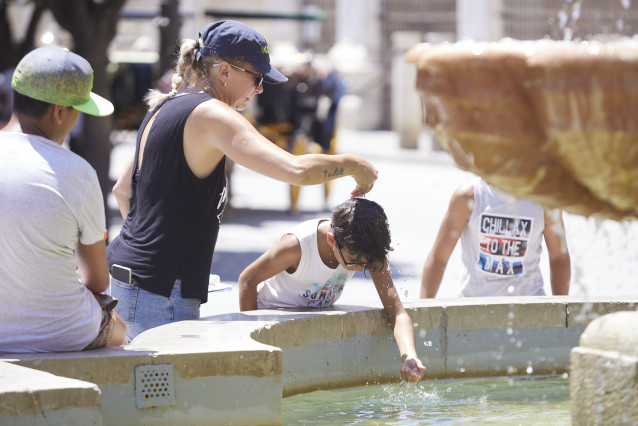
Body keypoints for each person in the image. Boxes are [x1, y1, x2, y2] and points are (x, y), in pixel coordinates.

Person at [107, 20, 378, 342]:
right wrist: (354, 164)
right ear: (224, 72)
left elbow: (123, 190)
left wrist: (153, 249)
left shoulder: (165, 106)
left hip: (134, 278)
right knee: (167, 392)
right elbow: (294, 169)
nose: (260, 88)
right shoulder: (211, 114)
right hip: (160, 288)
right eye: (257, 77)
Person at [0, 46, 126, 352]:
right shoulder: (77, 172)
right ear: (59, 111)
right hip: (63, 331)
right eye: (77, 111)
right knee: (121, 330)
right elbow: (96, 280)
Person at [238, 198, 426, 382]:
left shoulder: (366, 250)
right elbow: (247, 280)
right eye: (354, 262)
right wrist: (253, 344)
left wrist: (409, 356)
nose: (361, 268)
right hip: (273, 316)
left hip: (311, 326)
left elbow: (397, 312)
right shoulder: (296, 247)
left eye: (366, 264)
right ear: (331, 239)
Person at [420, 177, 571, 298]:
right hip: (473, 309)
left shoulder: (544, 201)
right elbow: (438, 257)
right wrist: (424, 314)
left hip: (529, 307)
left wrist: (562, 315)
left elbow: (559, 257)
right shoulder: (469, 196)